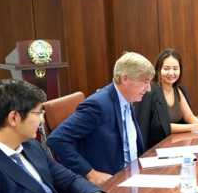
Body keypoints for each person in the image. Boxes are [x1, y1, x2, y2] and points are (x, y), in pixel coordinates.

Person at [48, 52, 154, 185]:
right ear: (125, 79)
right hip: (111, 182)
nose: (148, 89)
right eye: (145, 82)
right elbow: (56, 139)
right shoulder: (98, 105)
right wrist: (90, 173)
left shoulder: (128, 98)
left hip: (132, 175)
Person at [135, 49, 198, 149]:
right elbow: (161, 127)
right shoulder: (151, 91)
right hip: (157, 147)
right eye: (166, 68)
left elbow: (189, 117)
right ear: (158, 69)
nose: (171, 73)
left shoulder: (178, 89)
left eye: (175, 68)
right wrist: (196, 127)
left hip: (176, 143)